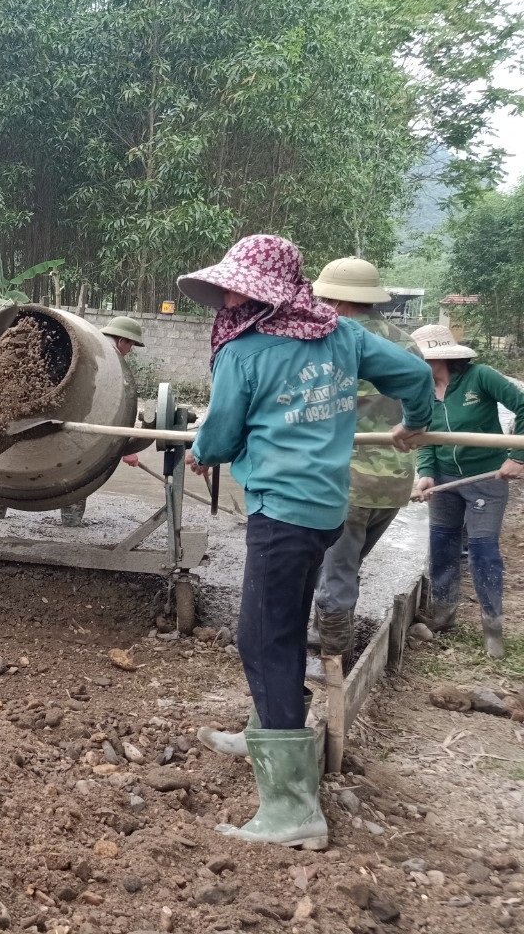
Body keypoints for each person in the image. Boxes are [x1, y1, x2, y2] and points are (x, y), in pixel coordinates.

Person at [179, 235, 431, 850]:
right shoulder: (341, 336)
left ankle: (292, 808)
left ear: (264, 292)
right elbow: (417, 373)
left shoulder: (245, 352)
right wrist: (413, 426)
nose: (231, 296)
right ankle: (266, 726)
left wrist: (201, 452)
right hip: (323, 510)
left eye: (240, 286)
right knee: (284, 622)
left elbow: (219, 435)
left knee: (262, 636)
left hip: (281, 512)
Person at [303, 258, 423, 667]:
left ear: (332, 300)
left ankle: (333, 663)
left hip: (345, 480)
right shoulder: (406, 343)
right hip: (393, 484)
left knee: (335, 572)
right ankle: (326, 634)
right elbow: (420, 400)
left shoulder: (331, 339)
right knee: (344, 563)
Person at [410, 324, 524, 659]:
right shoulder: (422, 389)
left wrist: (517, 456)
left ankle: (493, 627)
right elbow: (423, 438)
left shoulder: (481, 377)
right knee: (442, 546)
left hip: (486, 478)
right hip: (446, 481)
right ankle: (443, 615)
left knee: (482, 550)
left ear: (439, 357)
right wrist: (427, 474)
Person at [0, 316, 145, 525]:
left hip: (20, 412)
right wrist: (126, 446)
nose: (130, 350)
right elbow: (107, 408)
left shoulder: (84, 343)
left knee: (13, 458)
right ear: (122, 341)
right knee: (77, 468)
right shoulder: (111, 363)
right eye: (131, 345)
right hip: (72, 424)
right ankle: (70, 522)